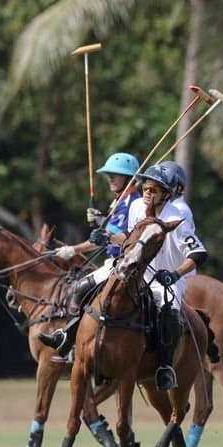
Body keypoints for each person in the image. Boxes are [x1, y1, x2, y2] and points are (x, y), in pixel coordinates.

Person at [39, 151, 142, 355]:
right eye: (109, 174)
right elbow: (102, 238)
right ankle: (74, 339)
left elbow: (122, 237)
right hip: (111, 261)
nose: (110, 178)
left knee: (77, 288)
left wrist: (101, 224)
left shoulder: (133, 202)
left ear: (129, 177)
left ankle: (66, 341)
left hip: (124, 263)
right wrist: (73, 249)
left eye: (115, 174)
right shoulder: (119, 202)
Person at [126, 163, 207, 389]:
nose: (147, 193)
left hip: (165, 279)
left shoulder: (177, 217)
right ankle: (69, 338)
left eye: (154, 189)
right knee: (90, 285)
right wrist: (104, 232)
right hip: (136, 273)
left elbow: (199, 253)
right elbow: (128, 238)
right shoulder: (135, 208)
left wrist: (174, 275)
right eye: (145, 188)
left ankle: (165, 366)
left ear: (166, 194)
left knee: (170, 311)